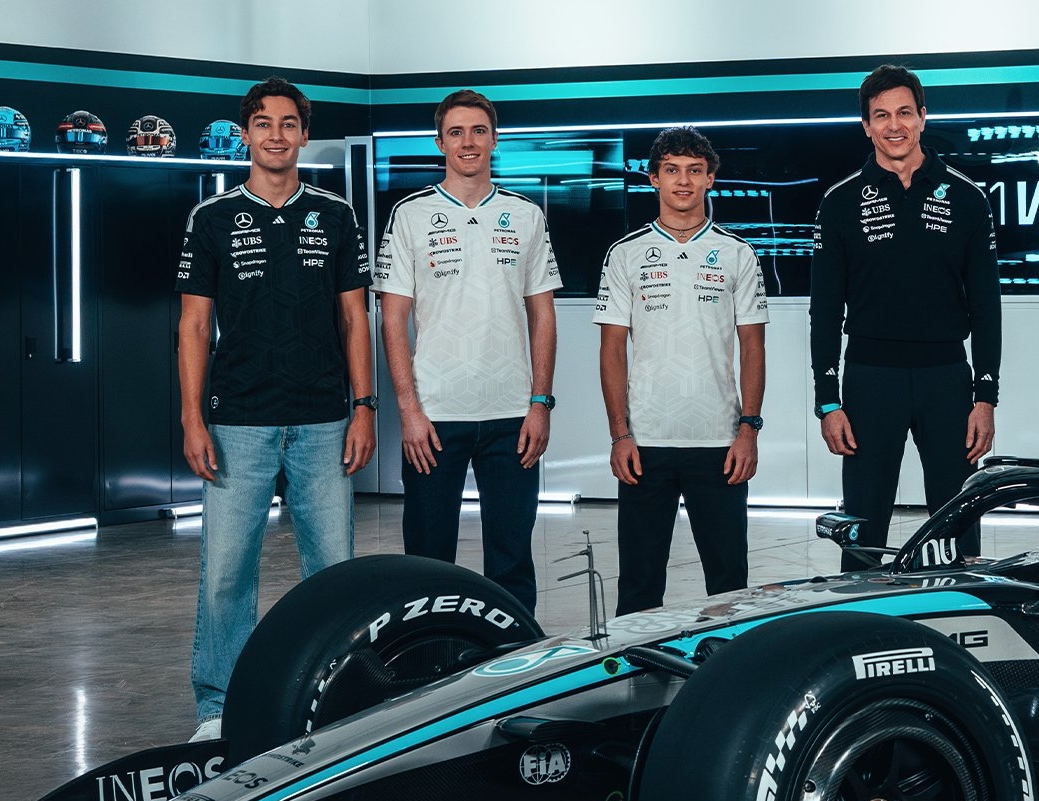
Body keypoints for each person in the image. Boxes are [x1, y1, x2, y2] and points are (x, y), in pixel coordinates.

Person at [176, 76, 372, 741]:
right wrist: (192, 417)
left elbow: (355, 319)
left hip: (323, 420)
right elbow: (194, 328)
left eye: (289, 124)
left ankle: (337, 696)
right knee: (227, 573)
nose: (277, 135)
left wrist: (365, 406)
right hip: (237, 423)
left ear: (303, 135)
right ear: (246, 134)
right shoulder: (211, 219)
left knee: (333, 574)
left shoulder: (337, 215)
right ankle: (216, 707)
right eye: (264, 124)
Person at [375, 88, 562, 612]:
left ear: (494, 139)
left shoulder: (526, 215)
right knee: (428, 564)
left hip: (512, 417)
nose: (468, 142)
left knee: (512, 561)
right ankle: (430, 668)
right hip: (434, 419)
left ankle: (517, 676)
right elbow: (392, 320)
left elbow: (542, 315)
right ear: (440, 142)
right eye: (456, 132)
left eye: (479, 131)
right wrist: (409, 411)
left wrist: (540, 403)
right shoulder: (409, 215)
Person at [811, 63, 1001, 571]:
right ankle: (861, 632)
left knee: (957, 524)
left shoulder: (966, 197)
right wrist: (827, 401)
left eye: (904, 112)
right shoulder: (840, 202)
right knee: (863, 527)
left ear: (922, 117)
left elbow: (986, 305)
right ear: (866, 127)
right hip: (870, 382)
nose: (894, 125)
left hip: (948, 383)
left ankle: (960, 625)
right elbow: (825, 310)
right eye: (881, 116)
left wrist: (985, 397)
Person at [595, 127, 768, 615]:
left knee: (730, 583)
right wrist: (619, 435)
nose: (684, 181)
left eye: (695, 171)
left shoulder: (737, 254)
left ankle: (731, 676)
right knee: (639, 586)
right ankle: (637, 679)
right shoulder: (625, 254)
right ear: (653, 179)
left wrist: (748, 430)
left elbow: (752, 347)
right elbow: (612, 350)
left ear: (711, 179)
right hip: (645, 442)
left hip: (719, 442)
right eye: (672, 170)